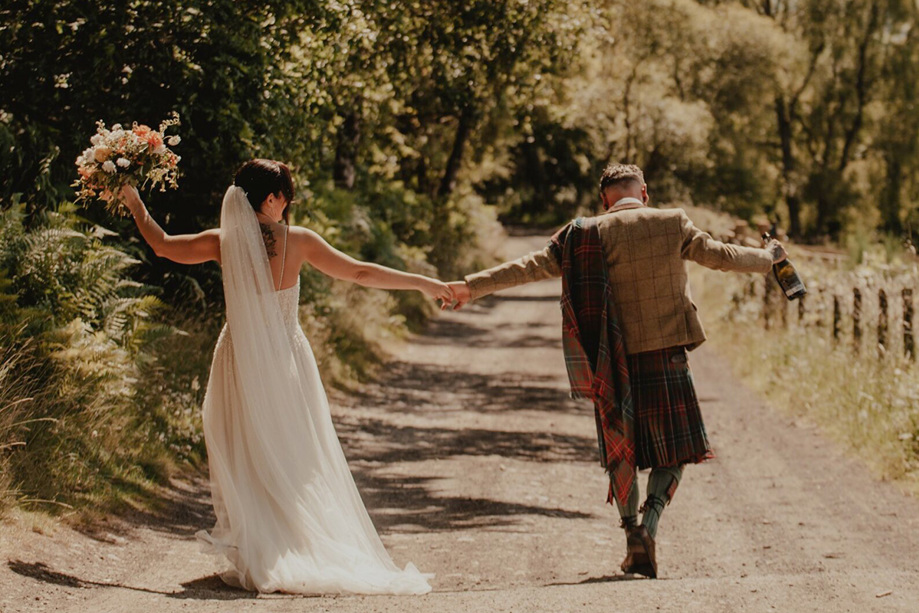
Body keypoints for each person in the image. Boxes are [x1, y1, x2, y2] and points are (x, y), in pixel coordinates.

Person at [112, 159, 448, 594]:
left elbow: (161, 244)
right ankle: (286, 544)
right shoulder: (299, 242)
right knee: (293, 452)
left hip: (236, 359)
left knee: (246, 450)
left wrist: (133, 199)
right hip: (287, 359)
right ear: (271, 198)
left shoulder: (223, 241)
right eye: (285, 199)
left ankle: (258, 548)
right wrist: (425, 283)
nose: (287, 209)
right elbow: (361, 272)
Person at [448, 163, 786, 579]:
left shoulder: (582, 233)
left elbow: (530, 266)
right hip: (667, 355)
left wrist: (471, 286)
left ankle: (631, 534)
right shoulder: (672, 222)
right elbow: (722, 256)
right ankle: (651, 525)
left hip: (613, 359)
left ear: (603, 199)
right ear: (644, 192)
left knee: (619, 449)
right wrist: (769, 258)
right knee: (676, 449)